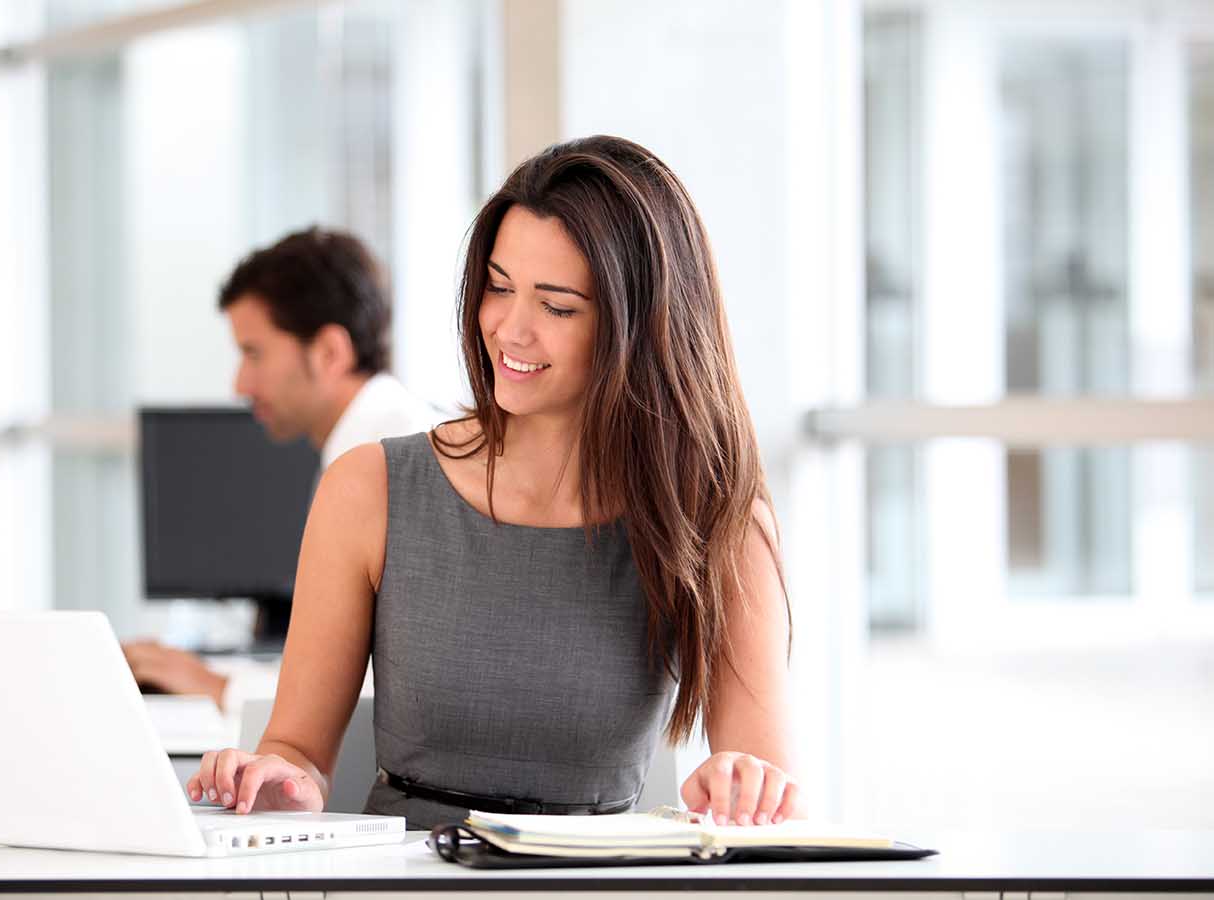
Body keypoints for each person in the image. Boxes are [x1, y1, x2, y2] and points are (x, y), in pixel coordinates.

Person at [187, 136, 802, 830]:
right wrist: (277, 781)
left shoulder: (719, 519)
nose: (510, 329)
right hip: (405, 883)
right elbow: (296, 750)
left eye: (558, 306)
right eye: (499, 287)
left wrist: (744, 784)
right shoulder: (369, 489)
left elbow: (766, 782)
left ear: (644, 325)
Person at [123, 227, 438, 711]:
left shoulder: (389, 461)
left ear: (330, 352)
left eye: (254, 353)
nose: (240, 383)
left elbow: (383, 688)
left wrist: (217, 686)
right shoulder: (372, 439)